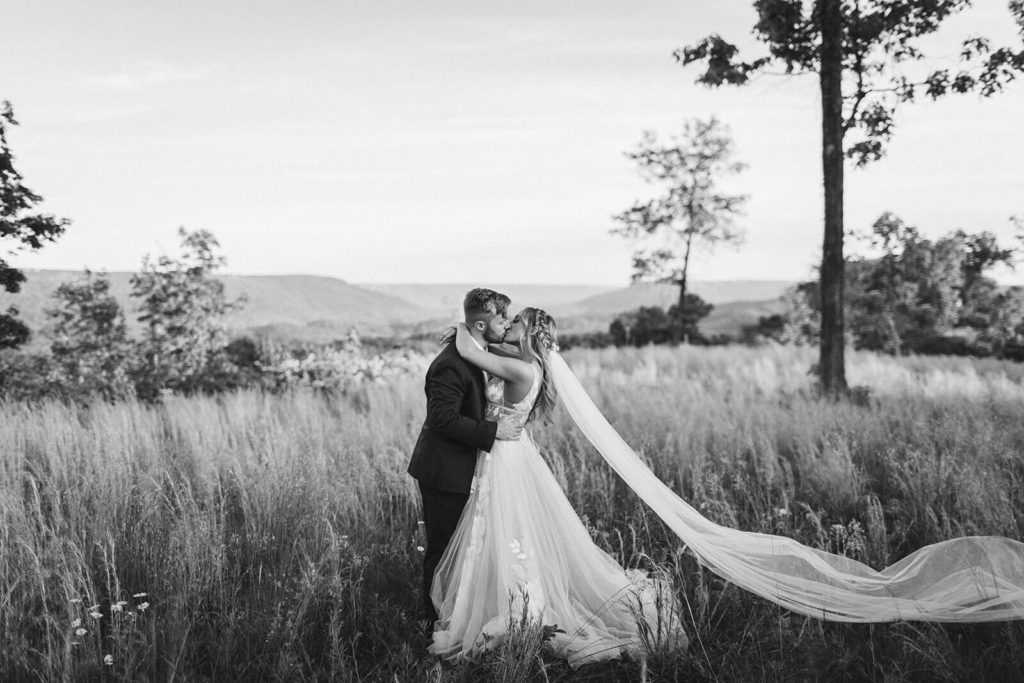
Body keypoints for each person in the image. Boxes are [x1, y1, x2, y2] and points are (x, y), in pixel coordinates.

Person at [428, 307, 687, 667]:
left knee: (507, 531)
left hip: (505, 456)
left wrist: (465, 319)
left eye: (515, 321)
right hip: (508, 452)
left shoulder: (520, 367)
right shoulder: (524, 361)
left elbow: (471, 352)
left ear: (529, 331)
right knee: (506, 533)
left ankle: (520, 607)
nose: (510, 324)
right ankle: (505, 598)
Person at [407, 288, 524, 628]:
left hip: (465, 468)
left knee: (464, 549)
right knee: (443, 550)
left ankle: (457, 613)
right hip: (443, 470)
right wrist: (493, 431)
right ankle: (432, 624)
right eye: (502, 318)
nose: (507, 324)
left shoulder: (476, 351)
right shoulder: (450, 365)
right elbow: (442, 419)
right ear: (482, 324)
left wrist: (463, 330)